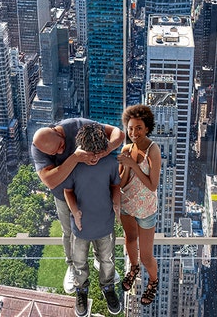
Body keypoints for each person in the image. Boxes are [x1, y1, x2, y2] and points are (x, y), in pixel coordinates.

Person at [31, 118, 124, 294]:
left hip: (93, 189)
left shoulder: (76, 126)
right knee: (69, 232)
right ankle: (72, 266)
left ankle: (100, 260)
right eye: (54, 153)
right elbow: (50, 181)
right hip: (64, 195)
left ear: (58, 132)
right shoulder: (38, 148)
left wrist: (103, 151)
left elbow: (118, 134)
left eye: (61, 145)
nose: (60, 151)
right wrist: (75, 158)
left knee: (101, 227)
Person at [63, 123, 122, 316]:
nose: (95, 157)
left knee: (108, 260)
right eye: (91, 152)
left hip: (105, 222)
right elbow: (68, 191)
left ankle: (108, 288)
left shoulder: (111, 163)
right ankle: (81, 291)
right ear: (82, 148)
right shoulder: (74, 166)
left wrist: (116, 203)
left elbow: (115, 185)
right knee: (79, 263)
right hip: (80, 226)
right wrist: (75, 211)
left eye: (99, 152)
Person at [117, 105, 160, 306]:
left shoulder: (153, 150)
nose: (134, 133)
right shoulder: (126, 149)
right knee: (130, 241)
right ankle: (133, 269)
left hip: (146, 208)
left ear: (147, 128)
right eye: (131, 128)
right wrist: (126, 166)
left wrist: (133, 165)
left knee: (146, 255)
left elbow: (153, 185)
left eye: (139, 128)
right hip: (127, 204)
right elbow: (122, 183)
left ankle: (153, 281)